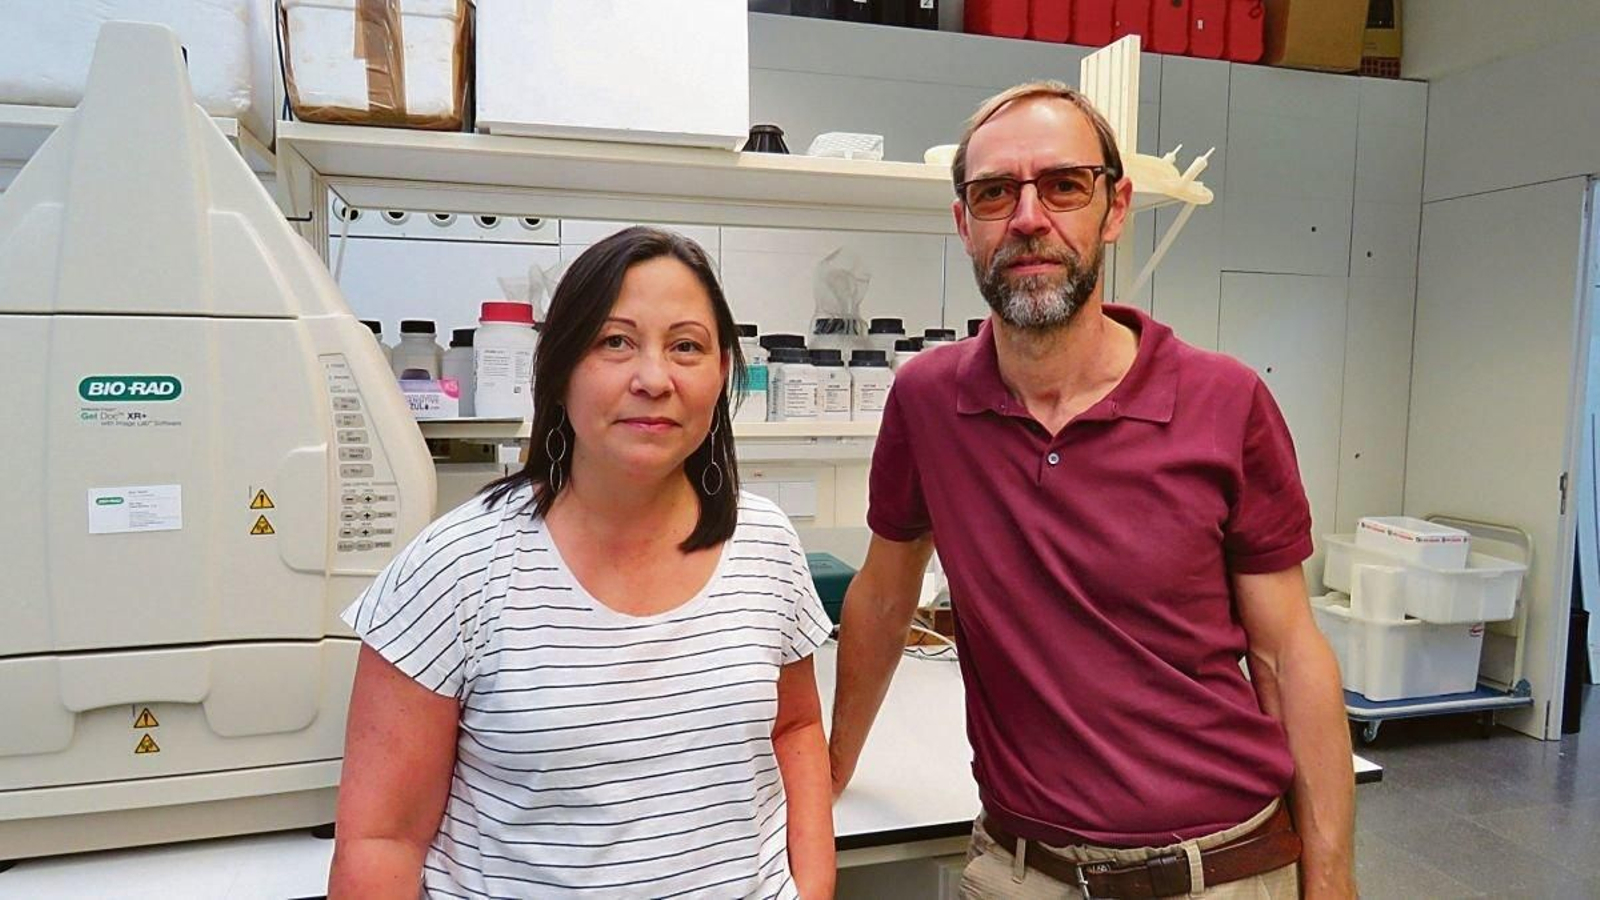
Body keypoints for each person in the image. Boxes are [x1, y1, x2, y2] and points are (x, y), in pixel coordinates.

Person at [828, 82, 1356, 898]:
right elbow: (883, 596)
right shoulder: (927, 402)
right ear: (964, 224)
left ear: (1114, 209)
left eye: (1064, 185)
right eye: (996, 192)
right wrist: (828, 771)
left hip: (1220, 869)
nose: (1029, 218)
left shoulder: (1226, 401)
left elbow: (1288, 653)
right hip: (1020, 870)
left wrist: (1332, 883)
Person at [330, 227, 836, 899]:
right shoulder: (456, 566)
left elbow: (795, 728)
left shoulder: (765, 541)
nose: (653, 379)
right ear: (561, 367)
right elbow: (381, 841)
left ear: (721, 375)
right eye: (614, 342)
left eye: (686, 346)